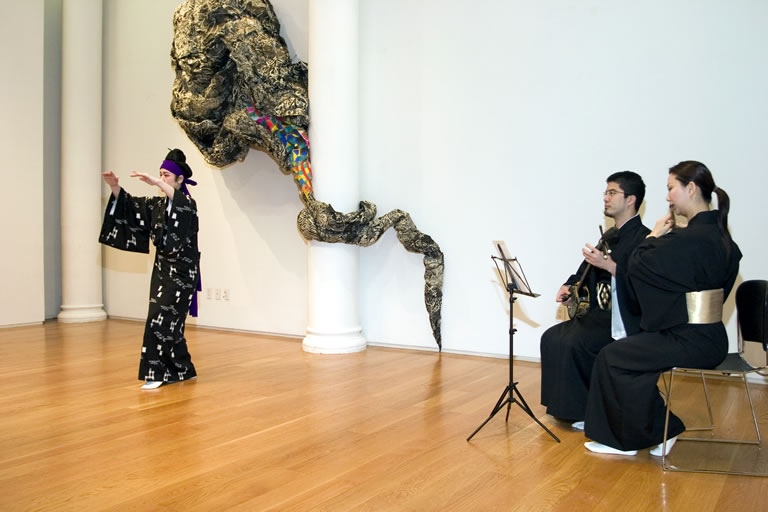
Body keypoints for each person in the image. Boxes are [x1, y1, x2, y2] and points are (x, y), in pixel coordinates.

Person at [583, 161, 741, 456]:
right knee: (626, 355)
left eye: (671, 188)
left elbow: (639, 264)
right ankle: (655, 430)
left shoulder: (689, 239)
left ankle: (646, 434)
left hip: (689, 339)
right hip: (707, 336)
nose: (667, 197)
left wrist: (653, 235)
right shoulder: (718, 237)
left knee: (614, 356)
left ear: (691, 189)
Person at [540, 171, 650, 428]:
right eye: (606, 193)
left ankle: (586, 410)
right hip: (598, 316)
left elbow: (642, 281)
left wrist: (611, 266)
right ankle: (565, 408)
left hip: (622, 321)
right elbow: (585, 271)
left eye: (612, 193)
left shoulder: (644, 239)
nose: (606, 198)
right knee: (552, 337)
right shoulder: (609, 236)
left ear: (631, 199)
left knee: (577, 342)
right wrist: (570, 286)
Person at [99, 149, 201, 390]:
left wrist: (156, 182)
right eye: (160, 174)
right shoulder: (156, 205)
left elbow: (179, 203)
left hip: (183, 272)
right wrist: (115, 188)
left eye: (167, 175)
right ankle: (182, 369)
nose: (162, 179)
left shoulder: (187, 204)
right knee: (171, 323)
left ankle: (160, 373)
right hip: (162, 269)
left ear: (179, 180)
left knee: (160, 319)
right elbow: (130, 207)